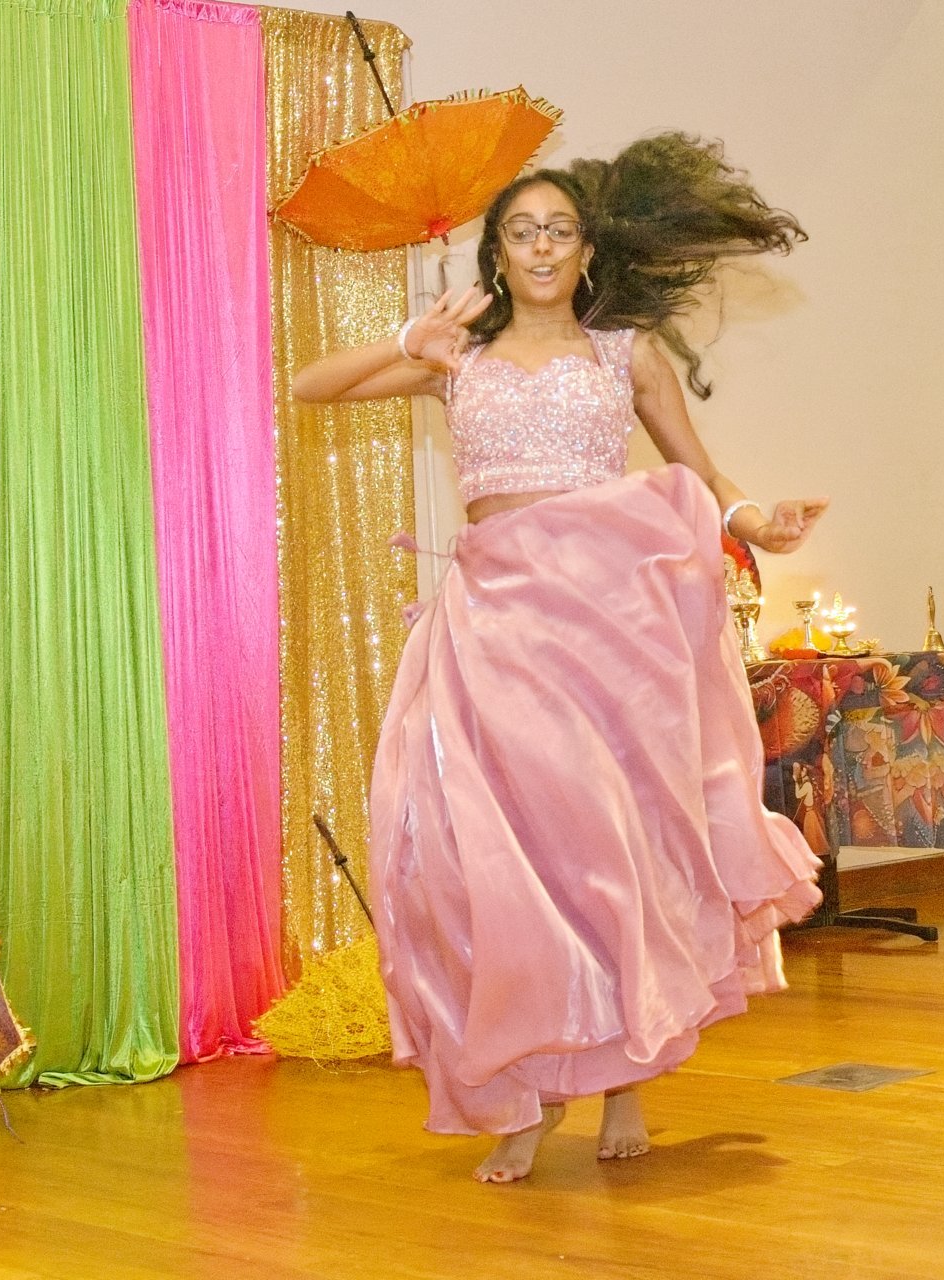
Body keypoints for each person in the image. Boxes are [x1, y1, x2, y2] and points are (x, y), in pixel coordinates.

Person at [292, 133, 828, 1184]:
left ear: (587, 251)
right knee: (498, 860)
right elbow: (311, 385)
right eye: (522, 231)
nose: (541, 247)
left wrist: (756, 521)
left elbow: (701, 474)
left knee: (611, 846)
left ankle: (626, 1078)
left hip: (608, 629)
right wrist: (411, 334)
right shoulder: (456, 357)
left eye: (560, 230)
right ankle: (527, 1097)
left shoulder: (626, 352)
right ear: (497, 252)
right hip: (495, 627)